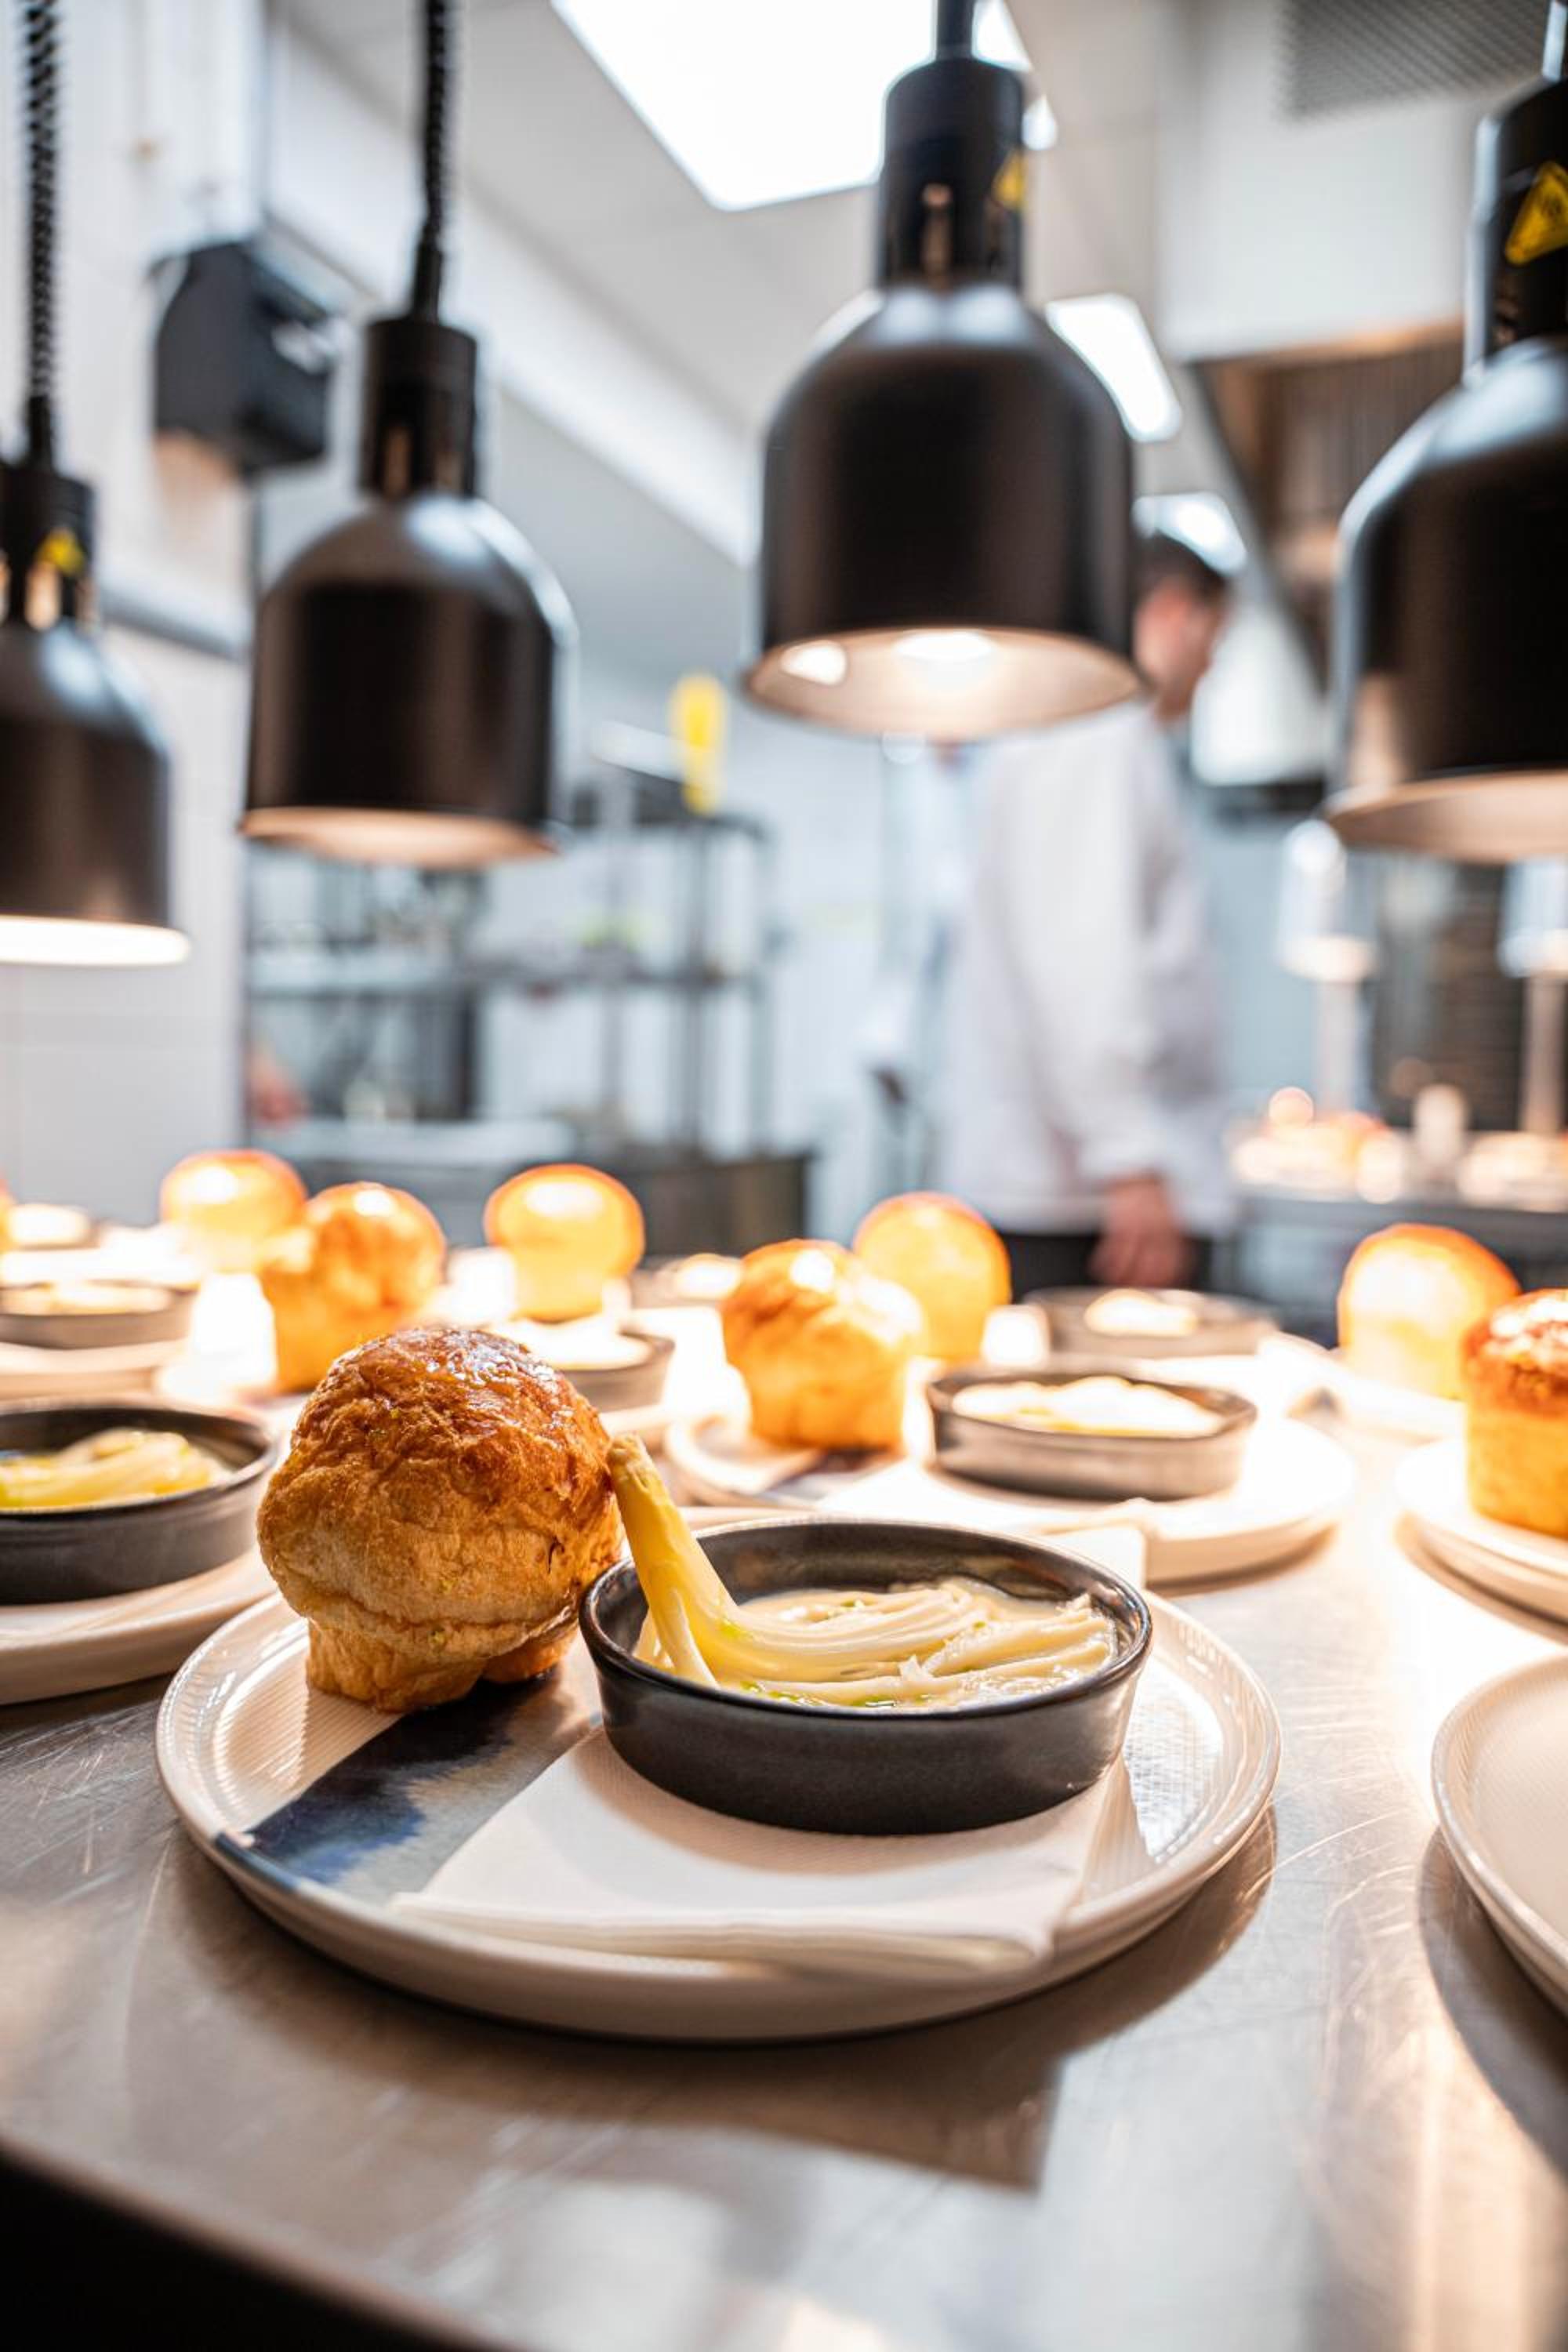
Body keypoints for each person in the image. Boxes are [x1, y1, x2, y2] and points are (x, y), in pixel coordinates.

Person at [942, 530, 1234, 1297]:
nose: (1209, 669)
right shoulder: (1094, 730)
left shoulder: (1091, 732)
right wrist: (1128, 1157)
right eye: (1214, 641)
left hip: (1083, 1190)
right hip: (1085, 1203)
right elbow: (1077, 961)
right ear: (1175, 614)